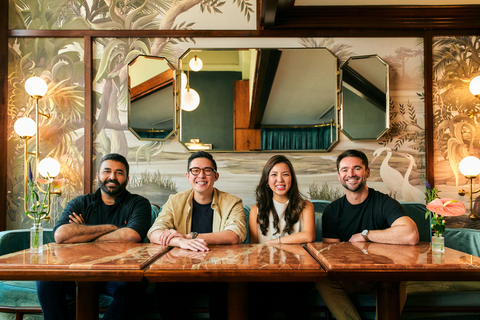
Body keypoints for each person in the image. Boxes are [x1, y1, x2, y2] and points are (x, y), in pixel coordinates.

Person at [36, 153, 152, 320]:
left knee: (135, 285)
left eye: (119, 173)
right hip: (77, 271)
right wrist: (113, 228)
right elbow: (61, 235)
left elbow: (131, 236)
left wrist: (83, 233)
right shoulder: (80, 202)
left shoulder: (138, 203)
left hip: (118, 274)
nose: (112, 177)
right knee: (46, 280)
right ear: (98, 176)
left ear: (127, 179)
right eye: (107, 171)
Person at [317, 149, 419, 320]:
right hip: (350, 277)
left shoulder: (385, 203)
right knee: (324, 281)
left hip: (384, 276)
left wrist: (366, 235)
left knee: (398, 279)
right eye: (345, 170)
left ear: (367, 172)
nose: (351, 174)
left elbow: (411, 235)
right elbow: (330, 255)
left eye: (357, 168)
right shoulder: (332, 211)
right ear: (339, 175)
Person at [147, 151, 247, 320]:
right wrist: (178, 241)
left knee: (225, 289)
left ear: (216, 176)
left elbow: (234, 235)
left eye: (207, 170)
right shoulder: (174, 201)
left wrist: (188, 237)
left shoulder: (233, 202)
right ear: (188, 176)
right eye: (195, 170)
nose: (201, 175)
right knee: (164, 288)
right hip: (181, 271)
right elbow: (154, 232)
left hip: (218, 271)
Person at [248, 155, 316, 319]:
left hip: (296, 272)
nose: (280, 179)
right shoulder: (255, 210)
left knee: (290, 295)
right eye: (274, 174)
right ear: (266, 180)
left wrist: (276, 242)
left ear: (292, 178)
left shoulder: (306, 206)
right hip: (265, 273)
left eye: (285, 174)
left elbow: (309, 235)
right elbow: (253, 250)